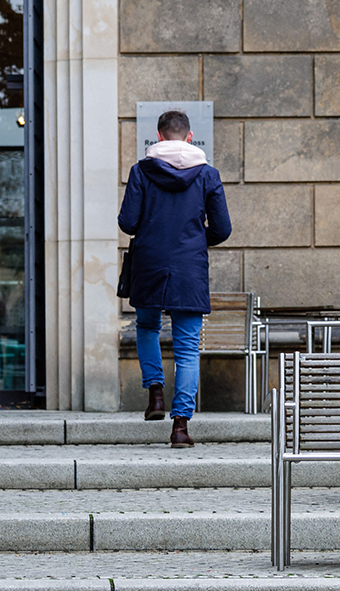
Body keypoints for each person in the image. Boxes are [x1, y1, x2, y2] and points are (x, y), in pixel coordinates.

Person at [118, 108, 231, 448]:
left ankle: (155, 393)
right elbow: (223, 229)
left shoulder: (141, 171)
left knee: (147, 326)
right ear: (190, 137)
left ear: (159, 136)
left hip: (149, 264)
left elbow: (128, 223)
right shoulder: (208, 175)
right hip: (189, 269)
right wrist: (195, 240)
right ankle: (180, 426)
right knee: (186, 349)